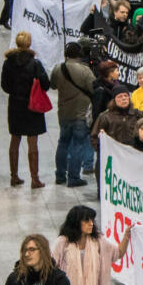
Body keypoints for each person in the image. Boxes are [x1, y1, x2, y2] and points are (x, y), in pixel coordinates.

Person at [1, 31, 51, 189]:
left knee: (14, 139)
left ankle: (14, 176)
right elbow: (45, 84)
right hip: (32, 105)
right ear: (29, 44)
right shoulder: (35, 64)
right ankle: (35, 179)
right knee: (32, 142)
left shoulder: (8, 62)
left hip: (15, 104)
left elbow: (5, 86)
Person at [51, 41, 97, 187]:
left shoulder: (58, 68)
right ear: (80, 54)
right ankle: (73, 177)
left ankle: (60, 175)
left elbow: (52, 85)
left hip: (64, 112)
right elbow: (94, 88)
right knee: (78, 145)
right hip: (81, 113)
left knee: (62, 143)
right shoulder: (85, 70)